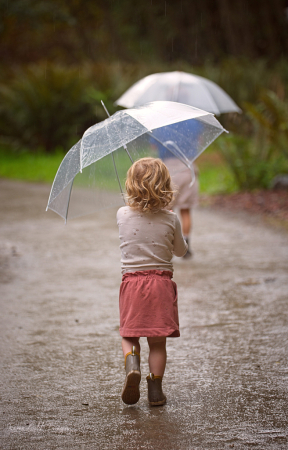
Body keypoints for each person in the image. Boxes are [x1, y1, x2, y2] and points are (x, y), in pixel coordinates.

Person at [116, 157, 188, 406]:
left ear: (131, 185)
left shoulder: (122, 214)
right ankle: (155, 389)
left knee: (129, 334)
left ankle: (132, 365)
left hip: (132, 285)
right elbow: (180, 251)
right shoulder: (171, 218)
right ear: (166, 185)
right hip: (160, 285)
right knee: (157, 343)